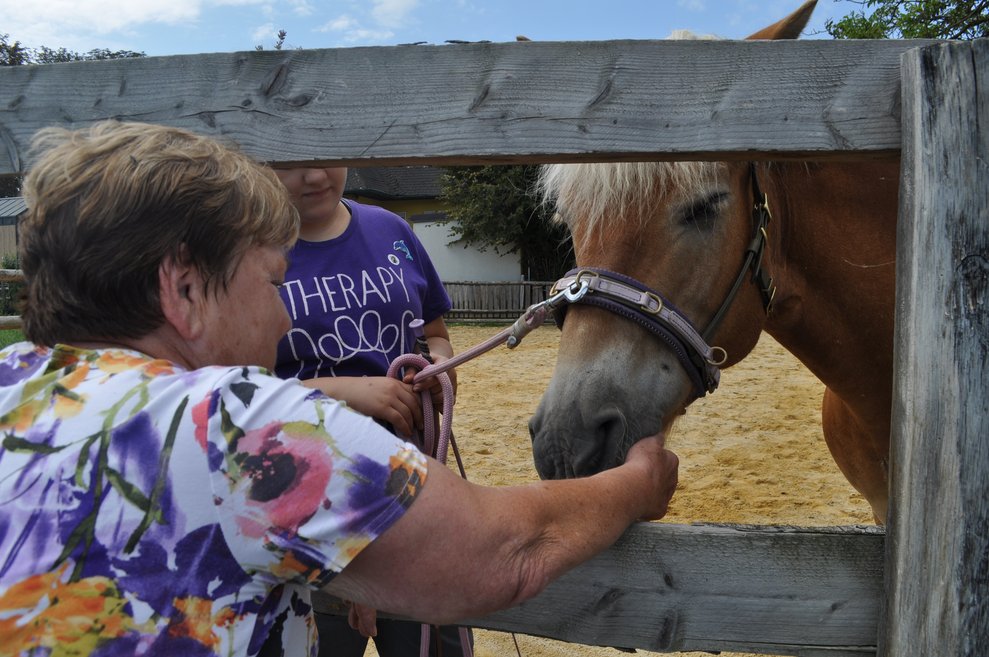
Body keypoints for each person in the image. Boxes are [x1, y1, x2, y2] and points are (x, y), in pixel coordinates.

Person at [0, 120, 679, 657]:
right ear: (183, 289)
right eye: (270, 282)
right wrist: (636, 481)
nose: (285, 314)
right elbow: (502, 554)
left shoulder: (12, 387)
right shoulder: (234, 424)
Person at [269, 166, 466, 657]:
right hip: (308, 499)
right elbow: (232, 388)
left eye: (327, 154)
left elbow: (435, 335)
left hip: (413, 485)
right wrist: (344, 392)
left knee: (433, 643)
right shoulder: (244, 252)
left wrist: (440, 370)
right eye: (292, 161)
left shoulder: (392, 229)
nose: (314, 175)